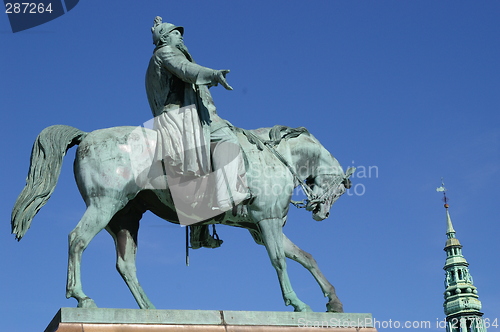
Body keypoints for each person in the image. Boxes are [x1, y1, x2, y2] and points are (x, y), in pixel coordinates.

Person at [145, 16, 251, 248]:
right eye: (174, 33)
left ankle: (198, 232)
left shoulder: (162, 55)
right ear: (164, 39)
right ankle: (233, 196)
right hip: (183, 118)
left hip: (182, 116)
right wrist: (213, 74)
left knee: (200, 171)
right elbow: (186, 69)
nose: (179, 35)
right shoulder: (166, 53)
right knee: (227, 137)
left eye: (179, 33)